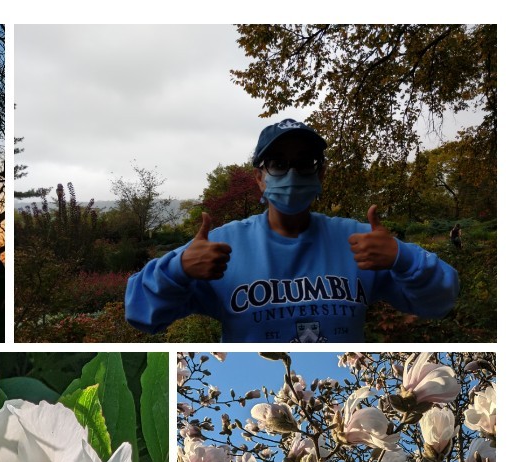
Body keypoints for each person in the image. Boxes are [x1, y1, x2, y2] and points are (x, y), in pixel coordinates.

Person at [124, 119, 460, 342]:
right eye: (278, 164)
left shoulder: (361, 244)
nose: (292, 174)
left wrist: (402, 257)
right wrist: (177, 269)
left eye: (304, 164)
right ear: (259, 177)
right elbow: (140, 312)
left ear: (320, 175)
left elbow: (441, 300)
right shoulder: (220, 247)